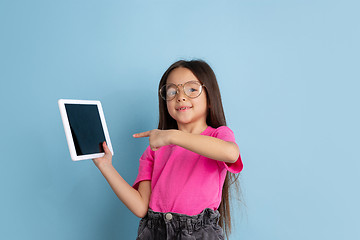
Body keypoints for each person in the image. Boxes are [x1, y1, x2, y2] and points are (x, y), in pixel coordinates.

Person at [93, 59, 243, 240]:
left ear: (210, 99)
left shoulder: (218, 135)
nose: (180, 96)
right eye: (172, 91)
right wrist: (106, 166)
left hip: (199, 233)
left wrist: (172, 136)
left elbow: (231, 153)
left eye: (192, 89)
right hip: (154, 232)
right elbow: (141, 207)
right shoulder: (154, 149)